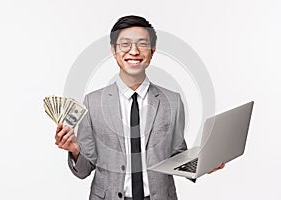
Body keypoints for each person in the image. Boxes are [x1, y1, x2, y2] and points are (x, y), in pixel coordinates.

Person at [55, 15, 223, 200]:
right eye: (125, 44)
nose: (133, 51)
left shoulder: (172, 101)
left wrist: (202, 163)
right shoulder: (92, 103)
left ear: (152, 51)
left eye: (142, 44)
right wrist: (75, 150)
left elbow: (176, 155)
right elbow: (84, 170)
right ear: (114, 50)